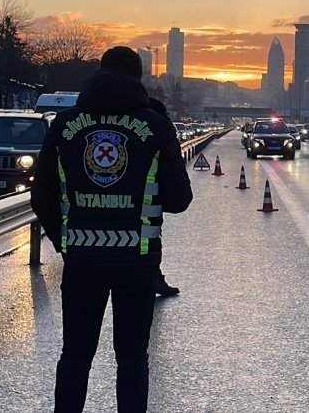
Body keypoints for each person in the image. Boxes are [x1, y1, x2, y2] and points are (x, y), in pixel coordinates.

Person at [31, 46, 193, 412]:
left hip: (82, 261)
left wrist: (67, 243)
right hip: (137, 262)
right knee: (132, 358)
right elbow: (179, 199)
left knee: (75, 355)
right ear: (137, 78)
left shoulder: (64, 125)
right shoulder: (154, 126)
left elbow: (41, 197)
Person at [148, 97, 181, 298]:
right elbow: (179, 198)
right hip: (141, 236)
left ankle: (156, 278)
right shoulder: (157, 131)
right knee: (134, 324)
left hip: (82, 249)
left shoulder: (73, 123)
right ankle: (155, 280)